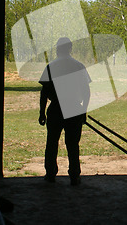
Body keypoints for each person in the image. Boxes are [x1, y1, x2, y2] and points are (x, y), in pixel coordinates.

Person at [38, 37, 91, 185]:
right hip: (74, 107)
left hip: (55, 109)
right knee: (73, 144)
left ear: (57, 49)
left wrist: (42, 113)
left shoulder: (51, 66)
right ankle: (74, 175)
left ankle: (50, 174)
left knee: (52, 142)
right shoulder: (79, 66)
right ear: (70, 48)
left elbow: (44, 93)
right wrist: (83, 111)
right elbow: (86, 91)